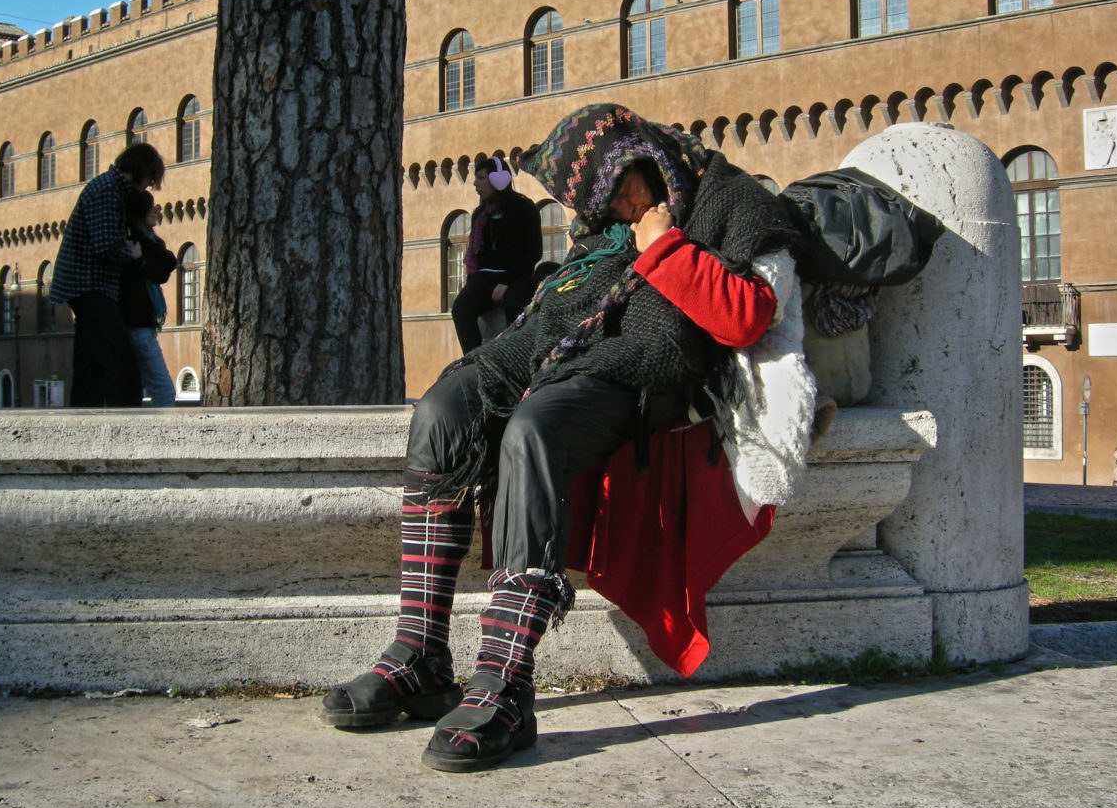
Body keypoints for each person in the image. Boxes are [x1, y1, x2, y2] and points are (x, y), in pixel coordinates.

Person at [321, 104, 819, 773]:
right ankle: (420, 654)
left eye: (621, 188)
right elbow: (567, 293)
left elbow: (744, 316)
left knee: (534, 429)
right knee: (441, 410)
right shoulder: (606, 221)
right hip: (559, 348)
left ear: (641, 155)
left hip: (643, 367)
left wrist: (662, 243)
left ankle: (505, 682)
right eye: (601, 201)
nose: (617, 207)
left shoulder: (732, 199)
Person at [50, 143, 165, 407]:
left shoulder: (108, 188)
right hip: (90, 286)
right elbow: (105, 247)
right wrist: (134, 254)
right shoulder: (108, 191)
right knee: (122, 361)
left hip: (85, 286)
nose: (147, 186)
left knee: (89, 365)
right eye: (149, 179)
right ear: (140, 171)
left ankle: (82, 424)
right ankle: (125, 426)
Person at [449, 155, 542, 353]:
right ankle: (473, 361)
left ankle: (518, 356)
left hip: (517, 276)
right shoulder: (479, 215)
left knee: (516, 305)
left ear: (498, 179)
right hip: (484, 278)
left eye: (481, 178)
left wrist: (506, 281)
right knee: (461, 308)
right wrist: (472, 287)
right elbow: (475, 259)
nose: (475, 184)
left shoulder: (525, 209)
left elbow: (534, 252)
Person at [118, 190, 179, 407]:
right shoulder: (133, 238)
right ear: (138, 212)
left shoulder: (144, 243)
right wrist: (143, 259)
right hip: (137, 325)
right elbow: (169, 261)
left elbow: (163, 272)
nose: (156, 209)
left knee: (135, 390)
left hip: (143, 324)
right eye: (149, 206)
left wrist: (142, 260)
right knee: (163, 390)